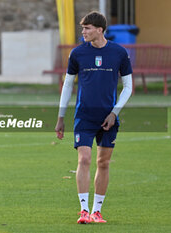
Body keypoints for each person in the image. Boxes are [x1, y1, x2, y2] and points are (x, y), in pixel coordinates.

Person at [55, 11, 132, 224]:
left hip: (108, 117)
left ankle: (97, 211)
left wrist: (114, 113)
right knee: (85, 159)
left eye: (87, 28)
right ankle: (83, 211)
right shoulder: (77, 54)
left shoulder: (119, 53)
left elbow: (128, 87)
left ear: (99, 29)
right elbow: (68, 84)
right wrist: (61, 116)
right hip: (84, 116)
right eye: (83, 28)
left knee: (103, 163)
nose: (83, 32)